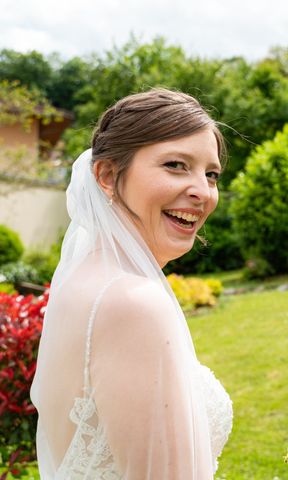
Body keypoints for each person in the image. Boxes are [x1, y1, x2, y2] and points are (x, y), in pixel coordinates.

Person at [30, 88, 233, 479]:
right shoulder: (131, 302)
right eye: (176, 165)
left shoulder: (87, 279)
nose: (202, 192)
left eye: (211, 174)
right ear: (107, 175)